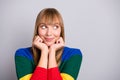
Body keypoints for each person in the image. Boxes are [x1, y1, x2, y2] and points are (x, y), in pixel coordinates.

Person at [15, 8, 82, 80]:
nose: (49, 33)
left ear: (61, 30)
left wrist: (52, 51)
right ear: (37, 29)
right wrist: (44, 51)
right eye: (43, 27)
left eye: (55, 27)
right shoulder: (22, 54)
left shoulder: (74, 55)